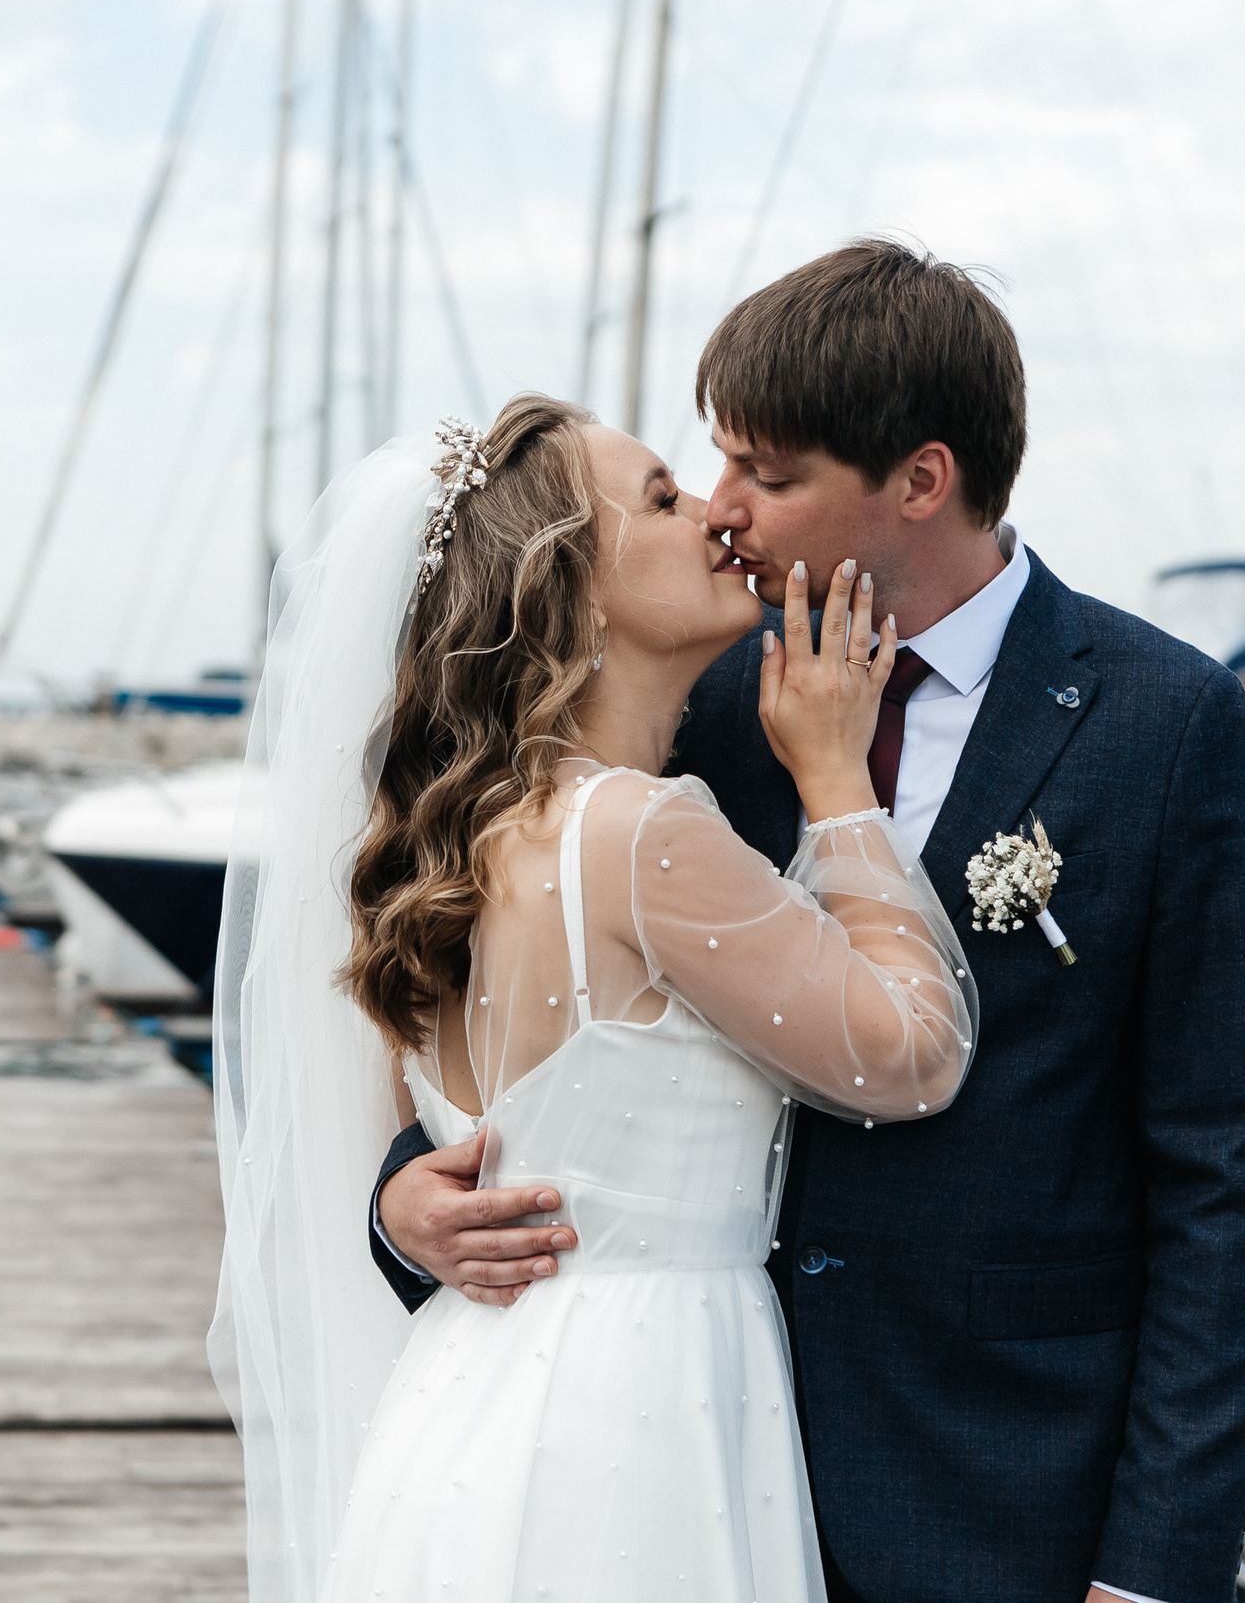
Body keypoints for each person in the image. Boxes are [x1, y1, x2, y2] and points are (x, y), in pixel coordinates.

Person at [371, 241, 1245, 1603]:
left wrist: (1155, 1567)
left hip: (1005, 1492)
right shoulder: (702, 697)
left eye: (772, 475)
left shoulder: (1166, 721)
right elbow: (518, 999)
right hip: (681, 1451)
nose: (727, 508)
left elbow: (1221, 1173)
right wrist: (406, 1196)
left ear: (920, 480)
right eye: (712, 466)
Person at [209, 390, 979, 1603]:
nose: (716, 517)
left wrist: (402, 1197)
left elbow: (426, 1130)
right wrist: (836, 784)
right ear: (568, 580)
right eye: (663, 500)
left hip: (461, 1405)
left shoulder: (449, 837)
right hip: (631, 1414)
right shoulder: (636, 831)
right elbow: (915, 1054)